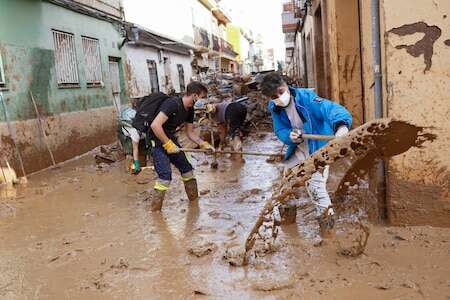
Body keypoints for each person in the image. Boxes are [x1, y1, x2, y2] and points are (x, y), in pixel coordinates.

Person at [260, 72, 352, 236]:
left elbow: (330, 109)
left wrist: (341, 126)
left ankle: (328, 232)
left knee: (316, 188)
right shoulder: (275, 107)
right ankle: (289, 221)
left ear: (286, 86)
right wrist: (289, 136)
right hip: (298, 148)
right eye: (274, 96)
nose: (279, 98)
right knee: (287, 182)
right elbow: (279, 129)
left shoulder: (307, 98)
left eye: (281, 92)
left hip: (318, 148)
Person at [147, 81, 214, 212]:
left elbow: (189, 132)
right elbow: (155, 125)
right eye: (202, 97)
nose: (204, 101)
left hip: (170, 139)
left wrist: (203, 144)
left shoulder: (190, 110)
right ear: (194, 95)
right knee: (165, 176)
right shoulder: (172, 104)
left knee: (187, 169)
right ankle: (155, 212)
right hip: (156, 140)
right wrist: (167, 143)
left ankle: (195, 206)